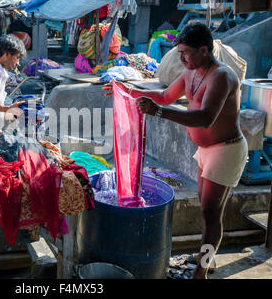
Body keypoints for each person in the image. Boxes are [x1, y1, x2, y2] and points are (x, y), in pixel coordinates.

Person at [103, 21, 248, 279]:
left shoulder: (222, 77)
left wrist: (158, 112)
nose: (180, 58)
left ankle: (202, 270)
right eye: (179, 52)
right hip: (206, 149)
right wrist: (126, 89)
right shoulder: (191, 71)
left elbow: (204, 118)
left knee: (211, 212)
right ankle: (206, 257)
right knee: (206, 208)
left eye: (185, 53)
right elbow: (165, 96)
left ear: (204, 50)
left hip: (226, 150)